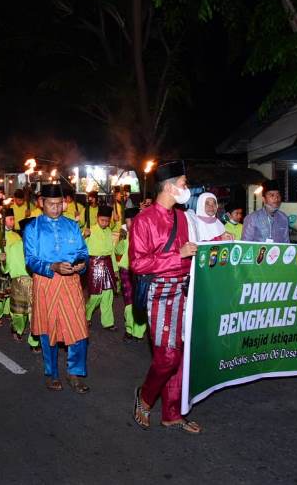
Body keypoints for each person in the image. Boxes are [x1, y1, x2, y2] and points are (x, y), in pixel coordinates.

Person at [130, 160, 201, 434]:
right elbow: (138, 264)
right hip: (159, 294)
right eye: (184, 184)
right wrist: (177, 255)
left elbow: (191, 252)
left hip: (185, 291)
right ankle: (145, 398)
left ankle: (171, 413)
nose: (187, 188)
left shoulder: (182, 217)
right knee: (167, 357)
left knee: (182, 357)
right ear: (170, 187)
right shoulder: (143, 220)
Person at [23, 183, 90, 394]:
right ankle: (52, 374)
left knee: (78, 328)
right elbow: (31, 260)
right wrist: (52, 266)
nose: (56, 208)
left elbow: (83, 251)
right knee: (48, 330)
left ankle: (75, 373)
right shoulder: (32, 228)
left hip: (71, 283)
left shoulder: (72, 225)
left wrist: (82, 263)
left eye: (59, 204)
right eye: (51, 204)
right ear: (42, 203)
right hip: (46, 282)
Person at [6, 216, 41, 350]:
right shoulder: (13, 247)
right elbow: (6, 269)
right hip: (19, 283)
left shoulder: (39, 247)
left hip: (36, 282)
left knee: (35, 313)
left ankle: (34, 341)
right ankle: (17, 329)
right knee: (19, 314)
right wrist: (3, 261)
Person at [85, 205, 118, 331]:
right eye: (102, 220)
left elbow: (112, 252)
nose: (104, 223)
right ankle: (87, 316)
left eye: (107, 221)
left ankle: (108, 322)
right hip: (94, 264)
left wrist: (115, 269)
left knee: (108, 294)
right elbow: (79, 247)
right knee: (95, 295)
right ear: (97, 218)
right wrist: (84, 235)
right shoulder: (90, 230)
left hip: (108, 263)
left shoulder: (109, 231)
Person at [118, 207, 147, 342]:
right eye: (128, 221)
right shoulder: (125, 234)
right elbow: (118, 251)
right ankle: (129, 330)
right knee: (129, 302)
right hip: (126, 270)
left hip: (142, 271)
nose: (131, 223)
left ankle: (139, 332)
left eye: (134, 220)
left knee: (141, 301)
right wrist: (121, 239)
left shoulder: (146, 234)